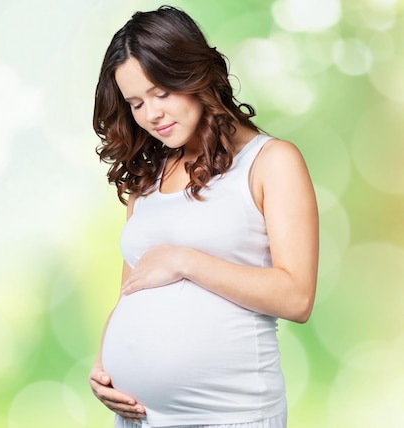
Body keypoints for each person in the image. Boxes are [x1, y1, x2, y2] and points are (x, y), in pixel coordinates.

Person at [88, 5, 318, 428]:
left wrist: (185, 261)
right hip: (138, 417)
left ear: (194, 75)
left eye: (161, 92)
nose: (151, 114)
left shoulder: (270, 161)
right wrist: (104, 364)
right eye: (136, 103)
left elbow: (297, 297)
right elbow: (131, 291)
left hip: (230, 415)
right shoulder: (148, 175)